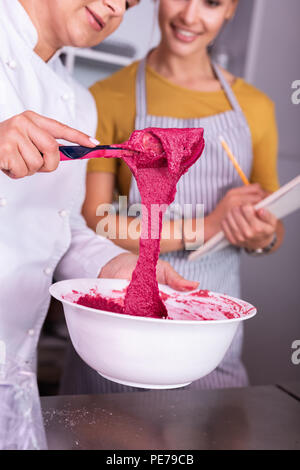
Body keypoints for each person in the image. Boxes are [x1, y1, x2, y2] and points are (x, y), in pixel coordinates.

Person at [60, 0, 285, 394]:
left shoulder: (256, 107)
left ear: (231, 9)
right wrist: (209, 226)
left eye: (212, 3)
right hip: (125, 327)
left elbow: (272, 230)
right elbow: (98, 220)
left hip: (211, 337)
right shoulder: (109, 95)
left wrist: (260, 235)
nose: (189, 16)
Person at [0, 0, 198, 371]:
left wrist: (113, 265)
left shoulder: (80, 104)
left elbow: (60, 223)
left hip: (11, 359)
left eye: (129, 4)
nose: (116, 9)